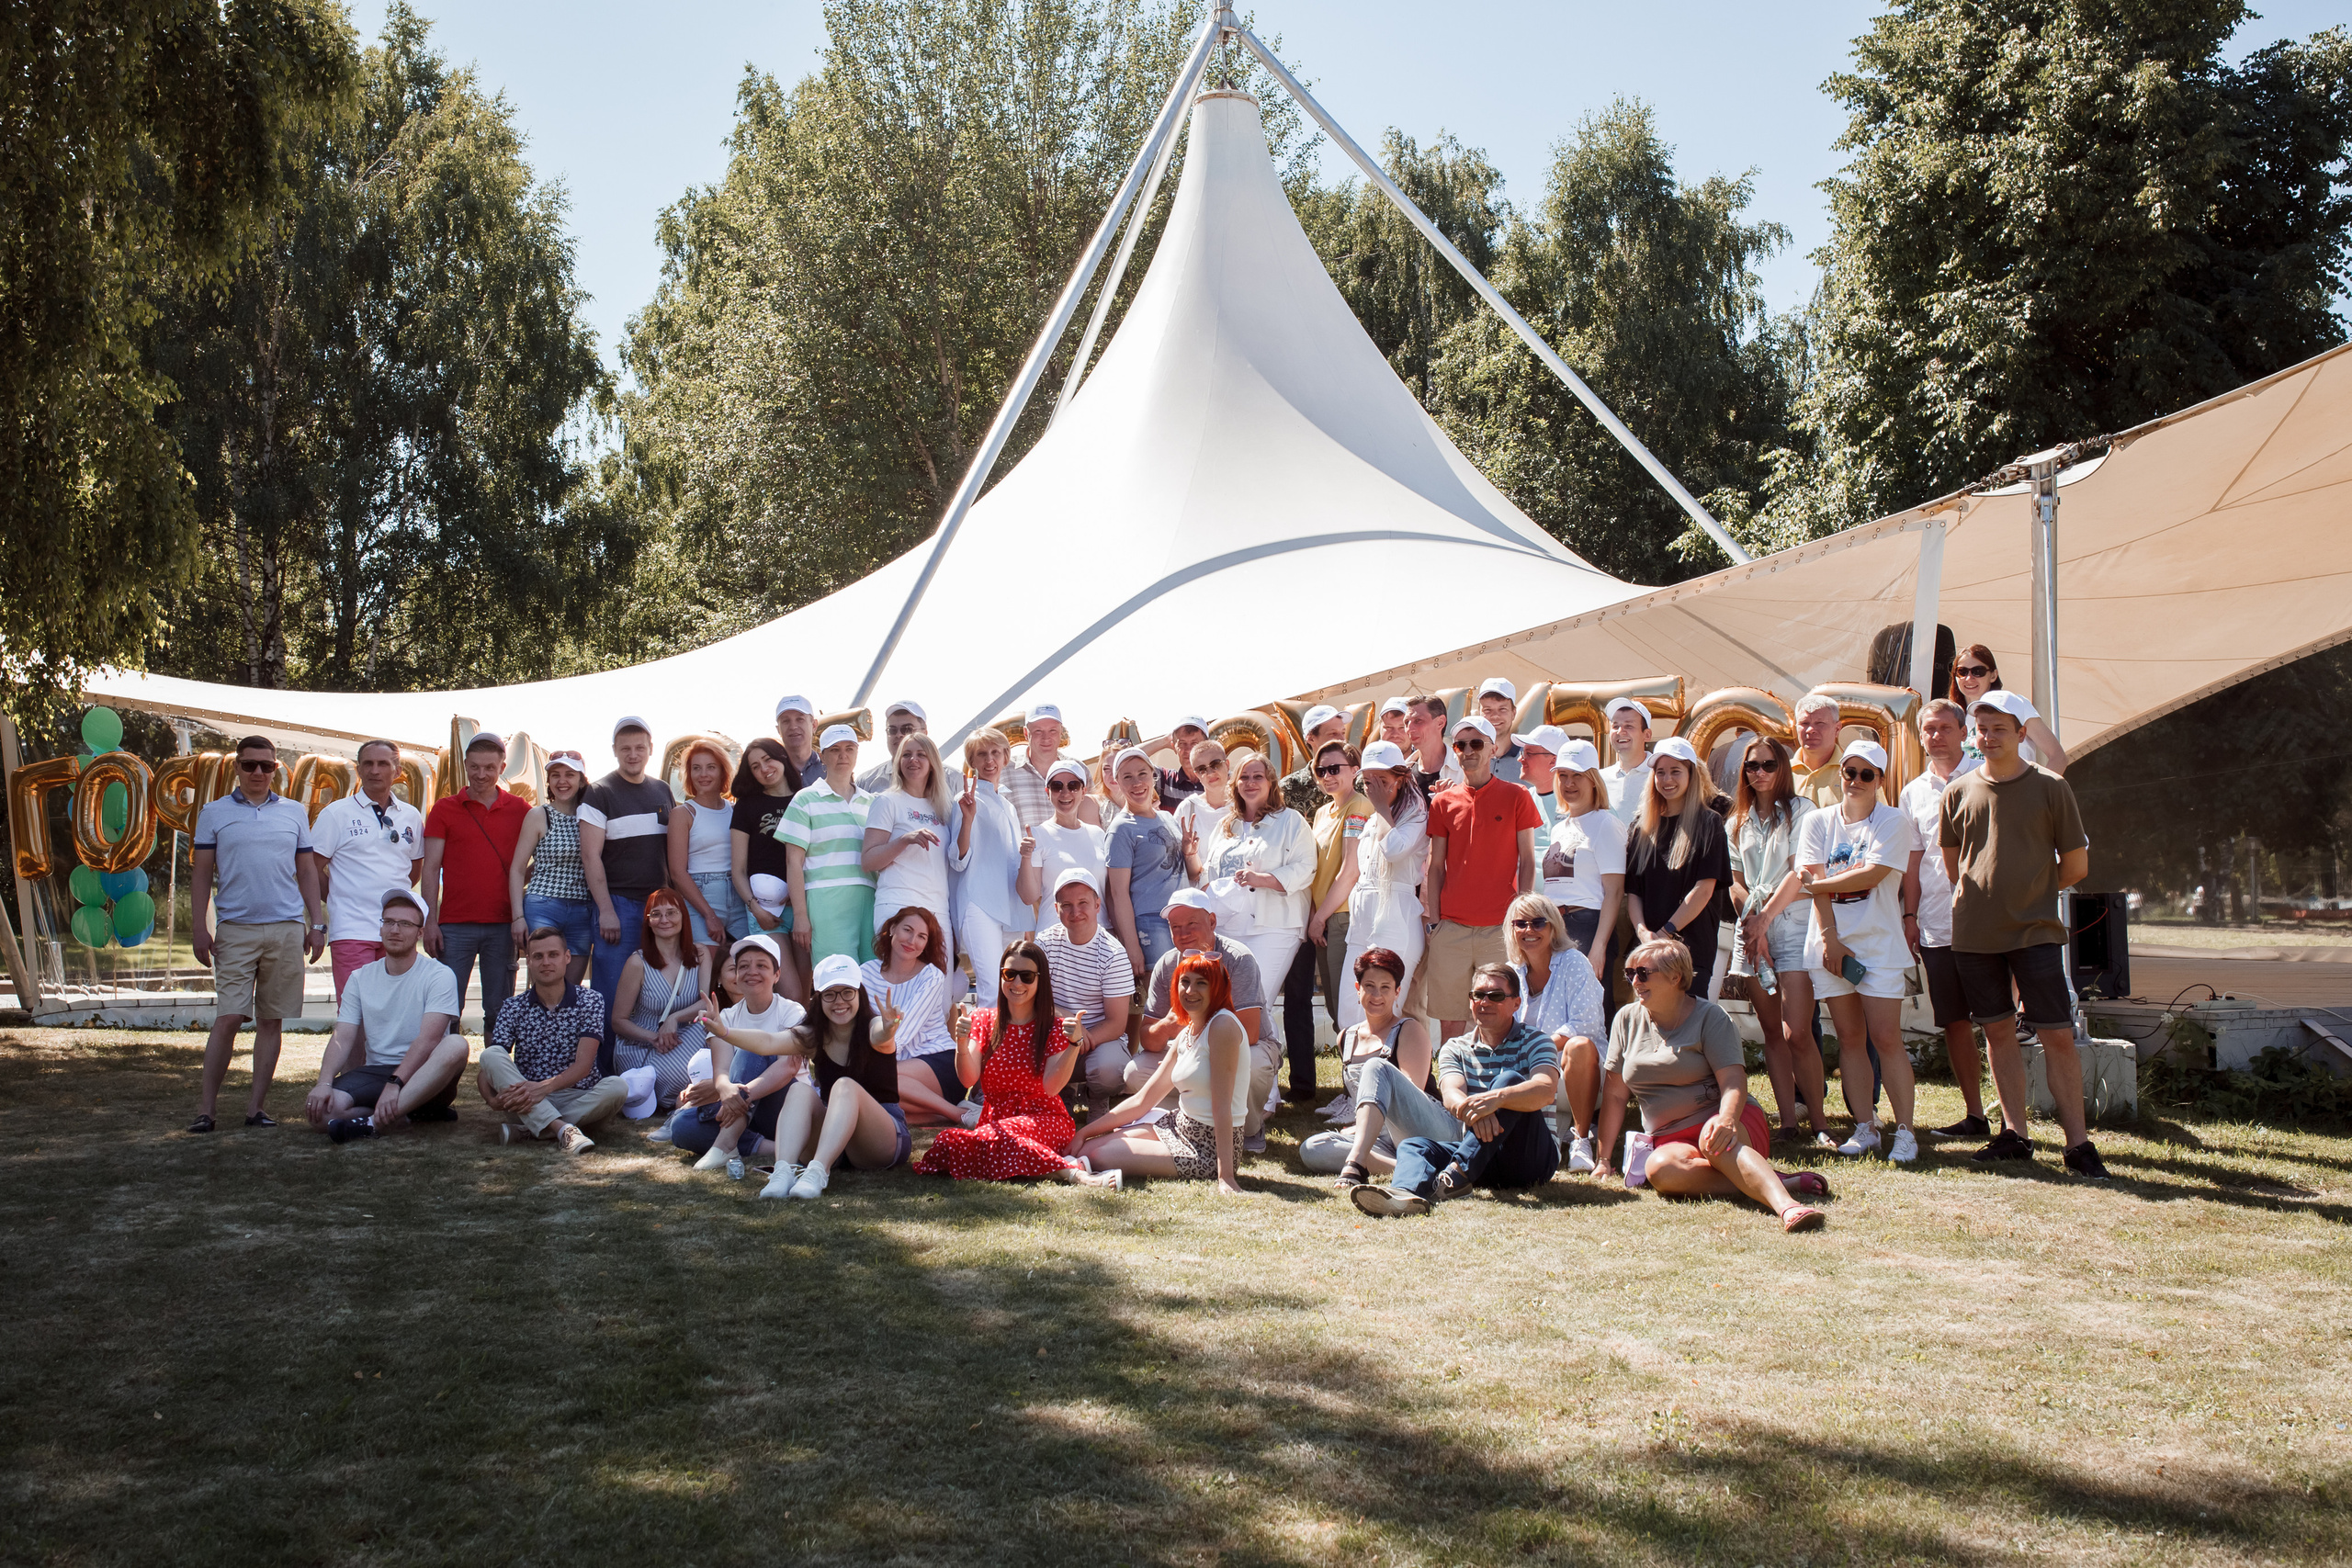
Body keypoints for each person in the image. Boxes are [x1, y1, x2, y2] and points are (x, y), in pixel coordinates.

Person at [1940, 690, 2107, 1177]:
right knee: (1996, 1032)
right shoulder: (1958, 790)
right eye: (1982, 729)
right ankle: (2014, 1134)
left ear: (2020, 734)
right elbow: (1956, 868)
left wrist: (2030, 891)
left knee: (2056, 1036)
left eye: (1999, 729)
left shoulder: (2052, 787)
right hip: (1973, 935)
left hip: (2035, 933)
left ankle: (2078, 1144)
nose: (1989, 737)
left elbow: (2075, 865)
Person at [1591, 938, 1830, 1231]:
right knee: (1659, 1170)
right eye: (1629, 974)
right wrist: (1603, 1159)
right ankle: (1773, 1179)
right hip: (1669, 1136)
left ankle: (1788, 1207)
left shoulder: (1711, 1017)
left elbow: (1733, 1082)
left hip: (1728, 1121)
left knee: (1712, 1136)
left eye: (1643, 973)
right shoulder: (1626, 1019)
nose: (1634, 981)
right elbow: (1615, 1095)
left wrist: (1728, 1119)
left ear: (1676, 976)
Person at [1784, 739, 1921, 1161]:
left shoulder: (1894, 820)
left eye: (1867, 774)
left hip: (1879, 945)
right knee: (1849, 1038)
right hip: (1829, 943)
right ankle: (1866, 1127)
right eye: (1849, 772)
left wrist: (1818, 885)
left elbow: (1872, 874)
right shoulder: (1818, 821)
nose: (1856, 781)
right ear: (1840, 774)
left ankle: (1905, 1132)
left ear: (1880, 780)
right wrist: (1829, 938)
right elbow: (1817, 878)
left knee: (1886, 1038)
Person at [188, 734, 324, 1133]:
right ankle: (206, 1111)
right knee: (228, 1018)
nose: (258, 773)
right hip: (234, 929)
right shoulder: (213, 813)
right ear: (237, 767)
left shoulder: (295, 812)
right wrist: (200, 927)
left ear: (276, 769)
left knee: (271, 1020)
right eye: (250, 765)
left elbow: (306, 873)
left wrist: (317, 924)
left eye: (267, 766)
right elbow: (200, 876)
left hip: (286, 928)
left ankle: (255, 1110)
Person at [1349, 964, 1561, 1217]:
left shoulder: (1536, 1040)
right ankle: (1404, 1195)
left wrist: (1497, 1099)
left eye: (1495, 996)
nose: (1485, 1002)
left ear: (1516, 1003)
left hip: (1530, 1158)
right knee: (1414, 1146)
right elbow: (1451, 1094)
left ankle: (1455, 1175)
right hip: (1480, 1157)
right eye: (1478, 995)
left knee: (1509, 1081)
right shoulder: (1455, 1047)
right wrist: (1477, 1111)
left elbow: (1545, 1089)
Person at [918, 941, 1120, 1186]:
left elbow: (1052, 1088)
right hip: (995, 1122)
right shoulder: (983, 1020)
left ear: (1039, 980)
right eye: (1009, 974)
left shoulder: (1053, 1026)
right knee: (947, 1141)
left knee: (988, 1141)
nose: (1017, 983)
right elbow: (968, 1079)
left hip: (1045, 1119)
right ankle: (1059, 1165)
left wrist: (1074, 1045)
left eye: (1026, 976)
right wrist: (961, 1043)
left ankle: (1075, 1174)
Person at [718, 953, 909, 1199]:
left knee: (844, 1086)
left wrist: (889, 1026)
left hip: (882, 1140)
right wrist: (723, 1031)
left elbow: (881, 1035)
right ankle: (783, 1171)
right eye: (830, 994)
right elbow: (767, 1042)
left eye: (847, 992)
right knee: (799, 1089)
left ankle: (817, 1173)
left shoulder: (872, 1027)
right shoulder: (813, 1036)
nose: (839, 1001)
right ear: (819, 1000)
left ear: (859, 994)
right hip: (836, 1139)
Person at [1070, 951, 1247, 1193]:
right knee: (1086, 1148)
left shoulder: (1223, 1026)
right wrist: (1084, 1132)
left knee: (1100, 1155)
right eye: (1185, 982)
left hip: (1208, 1147)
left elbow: (1222, 1105)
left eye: (1201, 983)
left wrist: (1225, 1176)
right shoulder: (1187, 1032)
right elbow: (1143, 1100)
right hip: (1178, 1125)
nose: (1190, 991)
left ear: (1217, 988)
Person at [1726, 736, 1830, 1144]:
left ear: (1783, 768)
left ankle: (1819, 1122)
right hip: (1751, 926)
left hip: (1792, 924)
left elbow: (1800, 872)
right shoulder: (1736, 820)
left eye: (1769, 765)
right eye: (1753, 766)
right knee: (1770, 1031)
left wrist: (1764, 922)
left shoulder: (1803, 811)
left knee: (1797, 1032)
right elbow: (1735, 883)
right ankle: (1788, 1122)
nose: (1760, 773)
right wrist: (1751, 922)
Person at [304, 888, 469, 1143]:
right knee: (320, 1114)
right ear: (380, 928)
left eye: (405, 924)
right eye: (389, 922)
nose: (394, 930)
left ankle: (372, 1123)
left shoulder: (439, 975)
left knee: (456, 1044)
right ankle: (404, 1115)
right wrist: (324, 1082)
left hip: (426, 1074)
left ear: (420, 932)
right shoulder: (360, 977)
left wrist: (395, 1084)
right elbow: (343, 1035)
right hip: (375, 1072)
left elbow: (429, 1040)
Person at [1901, 699, 1991, 1140]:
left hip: (1989, 919)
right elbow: (1913, 861)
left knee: (1995, 1019)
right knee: (1954, 1021)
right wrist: (1910, 914)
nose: (1935, 736)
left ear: (1963, 731)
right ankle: (1976, 1115)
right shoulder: (1913, 791)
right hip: (1936, 922)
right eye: (1927, 729)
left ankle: (2014, 1123)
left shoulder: (1985, 774)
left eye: (1943, 728)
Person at [1421, 715, 1542, 1041]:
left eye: (1477, 744)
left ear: (1493, 749)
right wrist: (1435, 922)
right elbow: (1436, 866)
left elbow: (1527, 860)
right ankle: (1452, 1089)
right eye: (1461, 745)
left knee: (1498, 1016)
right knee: (1450, 1022)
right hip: (1451, 928)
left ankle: (1496, 1086)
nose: (1468, 751)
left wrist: (1521, 916)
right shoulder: (1444, 802)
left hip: (1499, 929)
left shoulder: (1518, 796)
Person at [1193, 751, 1314, 1072]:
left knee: (1253, 1004)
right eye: (1244, 777)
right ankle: (1246, 1085)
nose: (1250, 782)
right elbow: (1209, 872)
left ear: (1271, 782)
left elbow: (1307, 867)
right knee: (1228, 1006)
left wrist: (1266, 880)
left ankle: (1262, 1092)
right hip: (1230, 928)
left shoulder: (1290, 821)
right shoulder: (1226, 825)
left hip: (1275, 926)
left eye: (1258, 776)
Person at [1137, 890, 1278, 1149]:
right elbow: (1147, 1038)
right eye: (1175, 927)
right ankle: (1189, 1120)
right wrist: (1166, 1026)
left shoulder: (1238, 958)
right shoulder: (1166, 964)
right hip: (1187, 1047)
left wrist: (1192, 1033)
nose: (1183, 934)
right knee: (1134, 1072)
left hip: (1244, 1046)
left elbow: (1251, 1032)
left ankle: (1248, 1127)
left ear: (1212, 922)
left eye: (1192, 924)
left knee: (1254, 1065)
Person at [580, 716, 675, 1068]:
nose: (633, 754)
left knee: (654, 992)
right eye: (625, 749)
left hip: (659, 909)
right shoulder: (600, 792)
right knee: (611, 994)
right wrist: (605, 909)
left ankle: (647, 1070)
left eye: (639, 748)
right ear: (615, 751)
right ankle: (604, 1072)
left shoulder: (663, 790)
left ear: (650, 749)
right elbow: (590, 856)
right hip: (618, 905)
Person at [477, 925, 625, 1152]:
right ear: (530, 962)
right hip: (525, 1098)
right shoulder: (513, 1006)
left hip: (576, 1096)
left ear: (567, 957)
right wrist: (490, 1099)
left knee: (617, 1086)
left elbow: (583, 1066)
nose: (546, 962)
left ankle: (533, 1128)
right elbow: (490, 1065)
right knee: (491, 1053)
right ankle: (563, 1129)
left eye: (553, 955)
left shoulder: (590, 1001)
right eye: (538, 956)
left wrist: (543, 1088)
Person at [665, 933, 806, 1171]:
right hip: (742, 1109)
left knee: (752, 1051)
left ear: (777, 975)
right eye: (743, 966)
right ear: (737, 976)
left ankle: (725, 1143)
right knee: (681, 1127)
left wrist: (740, 1095)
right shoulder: (726, 1017)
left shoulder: (792, 1011)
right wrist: (725, 1088)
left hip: (785, 1105)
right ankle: (774, 1147)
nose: (752, 971)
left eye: (761, 965)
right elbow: (721, 1071)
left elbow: (789, 1067)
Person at [421, 731, 530, 1030]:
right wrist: (430, 922)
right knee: (445, 1011)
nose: (481, 774)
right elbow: (430, 868)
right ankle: (442, 1076)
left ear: (502, 768)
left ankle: (496, 1076)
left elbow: (541, 860)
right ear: (465, 765)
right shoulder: (444, 809)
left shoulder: (521, 810)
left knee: (499, 1011)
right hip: (454, 925)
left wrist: (522, 896)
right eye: (475, 767)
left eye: (490, 768)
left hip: (503, 924)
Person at [1297, 947, 1429, 1179]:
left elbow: (1412, 1098)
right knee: (1311, 1148)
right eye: (1369, 986)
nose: (1376, 995)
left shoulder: (1409, 1030)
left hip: (1417, 1130)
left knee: (1375, 1067)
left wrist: (1363, 1128)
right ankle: (1406, 1167)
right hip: (1378, 1140)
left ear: (1397, 992)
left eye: (1385, 988)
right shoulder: (1346, 1037)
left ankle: (1414, 1158)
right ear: (1358, 989)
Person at [311, 738, 424, 1001]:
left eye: (383, 764)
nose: (375, 771)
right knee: (355, 1010)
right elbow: (310, 869)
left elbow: (414, 869)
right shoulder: (335, 814)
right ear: (358, 769)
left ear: (397, 771)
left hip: (398, 932)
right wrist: (339, 895)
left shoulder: (410, 815)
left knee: (394, 1008)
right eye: (368, 764)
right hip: (352, 929)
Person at [1505, 893, 1605, 1170]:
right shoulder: (1511, 972)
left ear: (1553, 927)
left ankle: (1581, 1140)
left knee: (1579, 1045)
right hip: (1535, 1073)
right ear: (1511, 930)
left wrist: (1536, 1048)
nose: (1529, 930)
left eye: (1539, 922)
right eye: (1520, 923)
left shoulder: (1574, 962)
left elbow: (1585, 1024)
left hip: (1580, 1073)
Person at [1624, 736, 1730, 997]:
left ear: (1691, 775)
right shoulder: (1642, 828)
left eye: (1675, 771)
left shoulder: (1709, 823)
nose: (1667, 779)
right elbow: (1634, 892)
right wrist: (1644, 934)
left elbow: (1704, 890)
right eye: (1660, 772)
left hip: (1689, 951)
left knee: (1687, 1029)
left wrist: (1665, 933)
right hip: (1647, 951)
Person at [1300, 740, 1372, 1096]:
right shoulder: (1322, 813)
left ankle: (1357, 1091)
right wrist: (1316, 916)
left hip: (1343, 918)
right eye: (1321, 770)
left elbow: (1350, 871)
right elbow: (1317, 872)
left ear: (1354, 769)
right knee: (1334, 1006)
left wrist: (1320, 917)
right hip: (1325, 919)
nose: (1328, 776)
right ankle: (1352, 1088)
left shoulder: (1359, 806)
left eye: (1335, 768)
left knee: (1348, 1009)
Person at [1340, 742, 1428, 1030]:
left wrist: (1380, 806)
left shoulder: (1415, 813)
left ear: (1400, 779)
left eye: (1382, 782)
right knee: (1349, 1014)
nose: (1374, 789)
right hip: (1362, 920)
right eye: (1367, 782)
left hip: (1396, 919)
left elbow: (1394, 851)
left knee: (1383, 1016)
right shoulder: (1371, 820)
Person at [1038, 869, 1138, 1117]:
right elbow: (1030, 999)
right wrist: (1068, 1021)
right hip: (1055, 1033)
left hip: (1099, 1039)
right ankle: (1062, 1093)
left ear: (1097, 905)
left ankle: (1097, 1097)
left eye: (1083, 903)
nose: (1075, 912)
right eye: (1067, 905)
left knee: (1110, 1069)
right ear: (1056, 908)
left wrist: (1081, 1038)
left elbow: (1116, 1024)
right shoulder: (1044, 944)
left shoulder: (1113, 954)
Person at [949, 726, 1035, 1005]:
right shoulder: (965, 800)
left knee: (1012, 990)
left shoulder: (1008, 805)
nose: (989, 760)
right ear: (971, 762)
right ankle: (986, 1049)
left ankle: (1010, 1048)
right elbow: (958, 860)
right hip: (980, 905)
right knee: (990, 991)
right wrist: (968, 818)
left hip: (1010, 906)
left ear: (1006, 757)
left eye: (995, 752)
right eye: (981, 754)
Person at [780, 723, 877, 966]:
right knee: (837, 977)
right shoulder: (805, 799)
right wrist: (801, 916)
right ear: (822, 756)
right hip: (826, 900)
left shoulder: (873, 802)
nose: (842, 755)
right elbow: (793, 862)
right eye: (834, 750)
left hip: (872, 897)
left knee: (872, 975)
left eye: (849, 748)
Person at [865, 905, 970, 1126]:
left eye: (921, 937)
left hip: (937, 1062)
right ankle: (947, 1116)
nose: (912, 940)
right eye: (907, 930)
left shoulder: (930, 975)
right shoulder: (865, 973)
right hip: (892, 1070)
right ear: (892, 928)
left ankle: (960, 1115)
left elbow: (902, 1034)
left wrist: (867, 1069)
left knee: (873, 1081)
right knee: (875, 1103)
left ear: (926, 945)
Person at [610, 886, 710, 1116]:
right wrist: (654, 1037)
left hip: (686, 1033)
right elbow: (618, 1021)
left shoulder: (700, 955)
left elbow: (705, 1003)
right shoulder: (637, 963)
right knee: (685, 1071)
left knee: (714, 1036)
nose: (664, 919)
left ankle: (689, 1098)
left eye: (671, 912)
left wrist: (674, 1019)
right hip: (644, 1045)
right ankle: (687, 1098)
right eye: (656, 914)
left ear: (684, 917)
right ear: (648, 921)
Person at [863, 733, 959, 961]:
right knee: (899, 987)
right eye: (906, 755)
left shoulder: (944, 808)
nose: (912, 760)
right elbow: (868, 861)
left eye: (920, 755)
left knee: (939, 990)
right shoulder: (887, 801)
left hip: (937, 909)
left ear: (933, 763)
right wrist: (904, 840)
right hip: (898, 904)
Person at [726, 738, 808, 998]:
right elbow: (738, 869)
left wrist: (799, 899)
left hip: (803, 908)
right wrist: (755, 907)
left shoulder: (806, 799)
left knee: (806, 995)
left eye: (768, 759)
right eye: (755, 766)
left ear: (782, 757)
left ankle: (803, 1040)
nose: (764, 768)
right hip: (764, 911)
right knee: (791, 994)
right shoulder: (747, 806)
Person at [506, 749, 594, 987]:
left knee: (572, 987)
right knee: (544, 981)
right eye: (555, 775)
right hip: (544, 905)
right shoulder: (538, 815)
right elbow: (517, 869)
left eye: (569, 775)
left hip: (581, 909)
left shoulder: (591, 816)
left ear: (581, 780)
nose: (562, 781)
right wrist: (518, 917)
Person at [1104, 745, 1185, 984]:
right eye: (1127, 777)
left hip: (1183, 920)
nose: (1136, 783)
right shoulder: (1120, 829)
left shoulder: (1168, 819)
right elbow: (1118, 894)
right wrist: (1131, 945)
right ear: (1117, 781)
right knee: (1164, 1000)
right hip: (1152, 924)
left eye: (1142, 774)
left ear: (1153, 776)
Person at [1541, 738, 1625, 958]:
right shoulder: (1559, 828)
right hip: (1554, 926)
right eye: (1563, 776)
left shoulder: (1606, 824)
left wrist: (1599, 946)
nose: (1569, 784)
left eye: (1577, 776)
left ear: (1593, 780)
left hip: (1587, 927)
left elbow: (1614, 892)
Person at [667, 739, 739, 969]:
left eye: (711, 767)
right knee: (705, 974)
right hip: (702, 895)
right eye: (696, 768)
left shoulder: (735, 811)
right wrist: (709, 914)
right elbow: (677, 872)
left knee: (746, 965)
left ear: (722, 771)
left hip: (738, 895)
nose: (703, 774)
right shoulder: (683, 814)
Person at [1951, 645, 2070, 773]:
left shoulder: (2016, 705)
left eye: (1978, 671)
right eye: (1962, 672)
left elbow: (2058, 757)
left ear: (1993, 675)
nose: (1969, 678)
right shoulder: (1955, 717)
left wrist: (2039, 791)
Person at [1003, 703, 1099, 831]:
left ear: (1061, 732)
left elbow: (1091, 821)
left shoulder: (1079, 769)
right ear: (1026, 733)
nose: (1046, 737)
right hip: (1024, 852)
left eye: (1052, 730)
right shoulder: (1005, 771)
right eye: (1038, 731)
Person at [1032, 760, 1110, 892]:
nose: (1065, 792)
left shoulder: (1099, 835)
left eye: (1073, 786)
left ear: (1083, 791)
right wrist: (1026, 857)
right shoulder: (1037, 835)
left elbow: (1109, 891)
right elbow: (1029, 897)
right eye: (1057, 786)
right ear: (1047, 792)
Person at [1169, 739, 1233, 873]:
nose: (1210, 773)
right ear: (1197, 774)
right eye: (1202, 769)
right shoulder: (1187, 808)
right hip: (1202, 890)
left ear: (1227, 764)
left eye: (1215, 764)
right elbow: (1175, 862)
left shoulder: (1244, 804)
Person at [1279, 705, 1350, 817]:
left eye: (1343, 732)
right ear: (1311, 738)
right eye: (1333, 733)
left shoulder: (1359, 780)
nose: (1342, 739)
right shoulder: (1288, 787)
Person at [855, 700, 931, 795]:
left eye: (907, 729)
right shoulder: (865, 783)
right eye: (892, 730)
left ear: (925, 733)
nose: (899, 735)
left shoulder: (951, 779)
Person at [1600, 699, 1654, 824]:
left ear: (1647, 735)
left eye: (1629, 726)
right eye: (1615, 726)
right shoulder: (1599, 779)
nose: (1620, 732)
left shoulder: (1659, 776)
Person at [1790, 694, 1846, 807]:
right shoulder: (1780, 773)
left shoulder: (1855, 773)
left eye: (1820, 723)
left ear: (1837, 728)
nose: (1810, 730)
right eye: (1804, 723)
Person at [771, 694, 827, 794]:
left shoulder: (830, 768)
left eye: (800, 719)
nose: (793, 726)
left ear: (814, 725)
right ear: (778, 729)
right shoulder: (769, 772)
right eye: (786, 721)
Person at [1156, 715, 1213, 811]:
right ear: (1174, 747)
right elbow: (1124, 761)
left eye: (1194, 743)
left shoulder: (1221, 780)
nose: (1188, 750)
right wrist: (1164, 740)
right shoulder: (1164, 779)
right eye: (1182, 743)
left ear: (1206, 746)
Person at [1476, 679, 1525, 784]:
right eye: (1487, 710)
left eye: (1502, 709)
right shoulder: (1466, 754)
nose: (1495, 716)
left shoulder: (1529, 759)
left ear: (1513, 713)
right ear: (1478, 713)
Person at [1404, 694, 1453, 796]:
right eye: (1406, 722)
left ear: (1440, 723)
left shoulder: (1465, 768)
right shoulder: (1402, 771)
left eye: (1418, 721)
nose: (1409, 729)